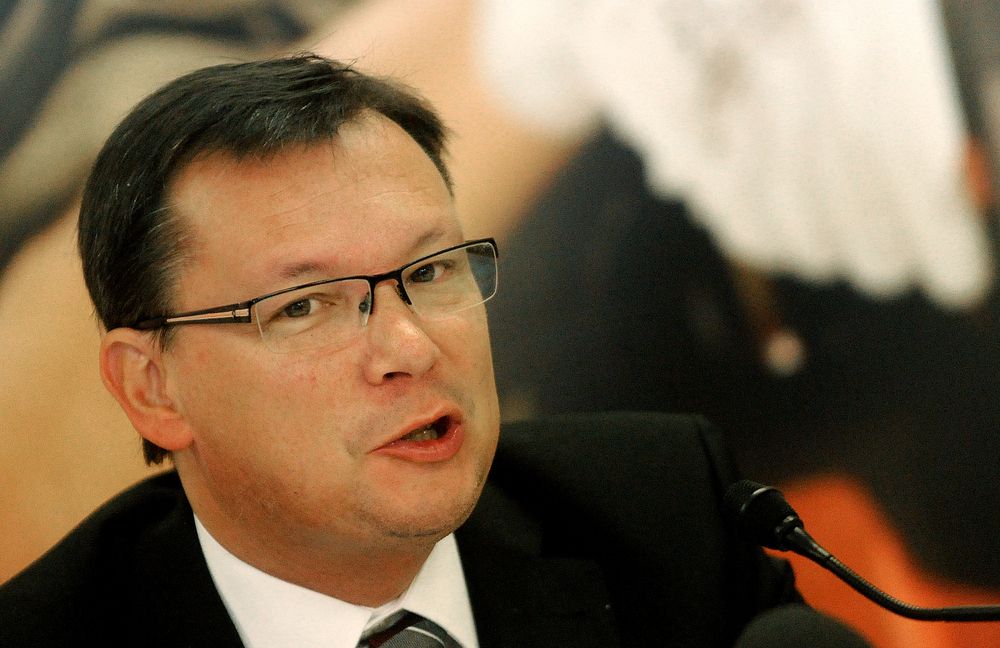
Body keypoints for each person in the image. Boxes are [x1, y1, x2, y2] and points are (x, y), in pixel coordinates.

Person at [0, 54, 810, 647]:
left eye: (429, 271)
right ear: (153, 389)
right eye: (305, 307)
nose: (410, 347)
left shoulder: (668, 517)